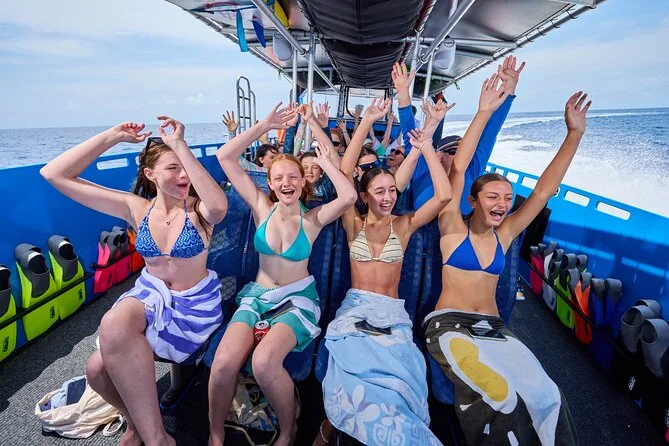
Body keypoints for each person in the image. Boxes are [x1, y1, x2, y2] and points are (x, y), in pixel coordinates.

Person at [40, 118, 229, 446]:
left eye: (186, 167)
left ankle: (149, 435)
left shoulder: (199, 211)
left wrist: (180, 146)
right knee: (96, 370)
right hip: (149, 297)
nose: (183, 175)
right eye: (172, 168)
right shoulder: (136, 208)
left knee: (99, 366)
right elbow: (54, 174)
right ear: (150, 174)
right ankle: (145, 429)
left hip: (193, 308)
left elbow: (219, 206)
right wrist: (112, 136)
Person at [425, 79, 590, 445]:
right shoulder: (452, 226)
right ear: (473, 200)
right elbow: (459, 168)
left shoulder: (507, 234)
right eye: (492, 196)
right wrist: (484, 111)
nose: (502, 203)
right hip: (449, 325)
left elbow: (543, 190)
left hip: (494, 328)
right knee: (500, 397)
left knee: (549, 396)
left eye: (507, 197)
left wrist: (574, 135)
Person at [211, 103, 356, 446]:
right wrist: (264, 125)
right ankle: (215, 433)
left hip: (297, 302)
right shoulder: (260, 207)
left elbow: (349, 196)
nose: (286, 183)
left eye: (293, 177)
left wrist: (325, 162)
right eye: (279, 178)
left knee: (264, 363)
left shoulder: (313, 219)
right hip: (257, 297)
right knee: (223, 363)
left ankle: (288, 430)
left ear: (303, 181)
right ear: (271, 183)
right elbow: (225, 158)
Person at [314, 98, 452, 446]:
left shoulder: (404, 225)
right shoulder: (353, 223)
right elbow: (345, 171)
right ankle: (330, 426)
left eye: (392, 190)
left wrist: (426, 147)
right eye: (380, 191)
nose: (388, 197)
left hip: (391, 312)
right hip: (356, 309)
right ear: (364, 195)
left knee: (404, 376)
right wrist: (366, 121)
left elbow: (443, 196)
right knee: (349, 375)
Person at [392, 56, 524, 212]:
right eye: (454, 151)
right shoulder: (423, 166)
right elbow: (410, 135)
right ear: (439, 155)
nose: (463, 153)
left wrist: (509, 89)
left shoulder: (472, 169)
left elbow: (490, 132)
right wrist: (403, 93)